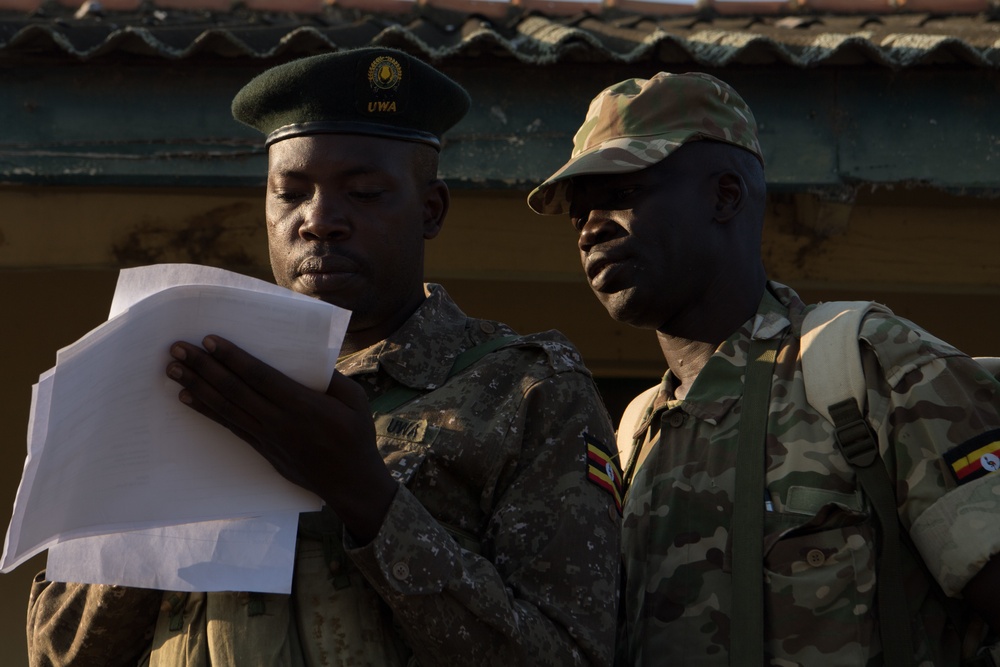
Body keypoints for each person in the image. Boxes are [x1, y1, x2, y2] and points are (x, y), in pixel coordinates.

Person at [26, 47, 621, 667]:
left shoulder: (525, 389)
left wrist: (364, 495)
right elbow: (56, 653)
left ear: (431, 210)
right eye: (290, 193)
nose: (319, 220)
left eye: (363, 193)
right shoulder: (178, 377)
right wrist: (160, 498)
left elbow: (568, 656)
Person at [527, 71, 1000, 665]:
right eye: (578, 213)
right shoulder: (631, 438)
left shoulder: (868, 365)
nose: (590, 228)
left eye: (622, 194)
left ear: (725, 195)